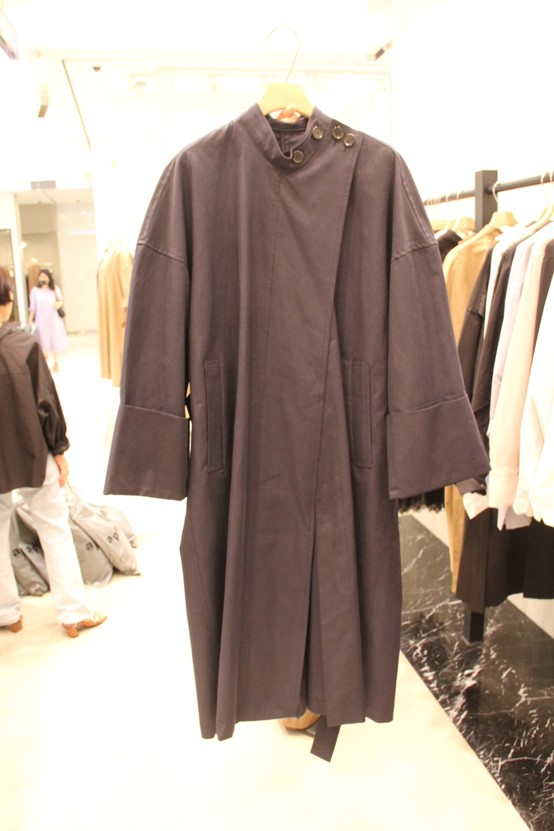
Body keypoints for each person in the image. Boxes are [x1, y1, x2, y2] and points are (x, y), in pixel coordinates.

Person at [0, 266, 106, 638]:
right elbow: (46, 404)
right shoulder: (24, 346)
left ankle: (6, 613)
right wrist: (59, 451)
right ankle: (73, 614)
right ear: (9, 300)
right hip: (32, 452)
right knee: (54, 528)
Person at [28, 267, 67, 372]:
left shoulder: (55, 289)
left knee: (55, 339)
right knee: (43, 340)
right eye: (41, 276)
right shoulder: (35, 291)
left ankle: (56, 363)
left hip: (54, 319)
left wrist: (59, 304)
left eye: (45, 276)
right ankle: (45, 364)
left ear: (49, 278)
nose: (43, 278)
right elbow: (32, 307)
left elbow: (61, 300)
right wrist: (30, 320)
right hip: (41, 320)